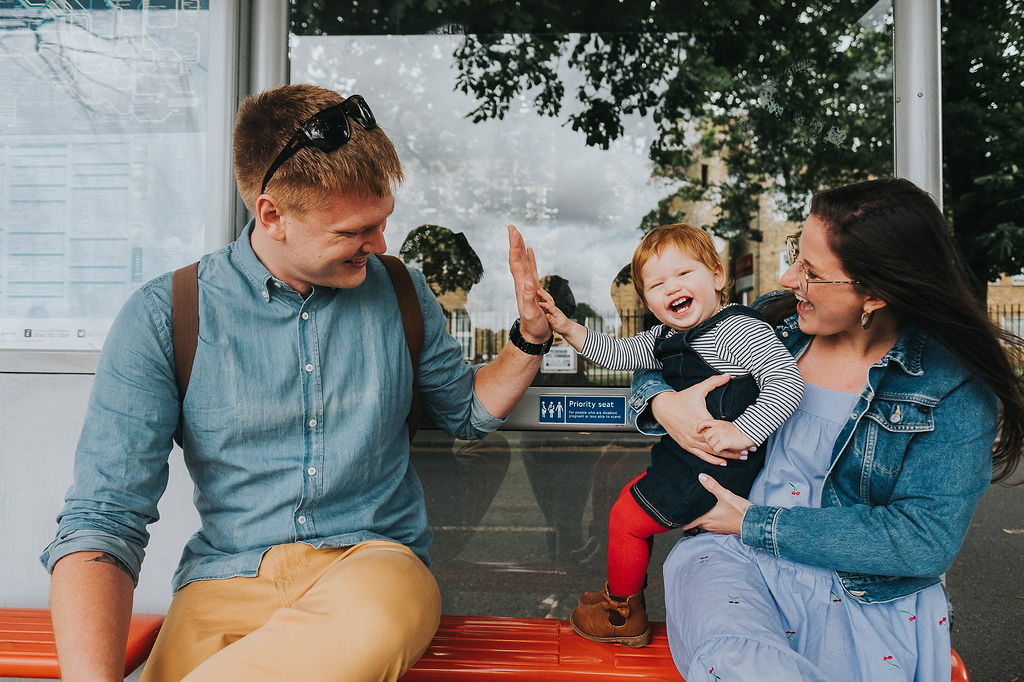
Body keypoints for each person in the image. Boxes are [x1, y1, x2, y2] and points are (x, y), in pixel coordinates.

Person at [40, 84, 553, 682]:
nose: (381, 244)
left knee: (378, 613)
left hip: (374, 569)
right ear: (272, 215)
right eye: (354, 230)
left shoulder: (402, 291)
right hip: (222, 586)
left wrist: (530, 336)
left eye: (383, 221)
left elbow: (466, 411)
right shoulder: (165, 315)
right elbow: (103, 520)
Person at [630, 178, 1024, 680]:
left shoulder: (954, 383)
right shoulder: (775, 321)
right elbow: (664, 346)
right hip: (736, 560)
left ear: (875, 293)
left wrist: (757, 522)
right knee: (741, 663)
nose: (789, 276)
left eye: (810, 270)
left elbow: (924, 539)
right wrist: (662, 402)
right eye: (797, 253)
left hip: (859, 591)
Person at [537, 223, 803, 647]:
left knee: (626, 519)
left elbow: (786, 380)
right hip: (686, 461)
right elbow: (618, 353)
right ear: (648, 301)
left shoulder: (737, 330)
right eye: (656, 284)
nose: (671, 288)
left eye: (683, 274)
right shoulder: (666, 336)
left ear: (717, 276)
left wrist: (741, 430)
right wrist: (570, 330)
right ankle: (620, 595)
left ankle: (622, 613)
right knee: (625, 507)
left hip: (711, 470)